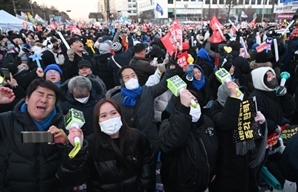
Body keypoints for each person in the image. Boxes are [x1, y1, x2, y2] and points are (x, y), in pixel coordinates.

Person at [57, 98, 155, 191]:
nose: (110, 118)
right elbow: (72, 180)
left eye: (113, 113)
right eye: (103, 116)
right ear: (97, 121)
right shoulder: (90, 144)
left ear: (120, 115)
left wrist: (143, 184)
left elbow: (148, 161)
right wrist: (76, 149)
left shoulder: (137, 136)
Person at [0, 78, 72, 191]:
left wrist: (67, 145)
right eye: (40, 94)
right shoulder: (6, 121)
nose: (44, 100)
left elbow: (75, 175)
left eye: (50, 96)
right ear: (27, 99)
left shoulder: (68, 126)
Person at [209, 81, 267, 192]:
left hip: (245, 167)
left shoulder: (245, 110)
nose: (240, 95)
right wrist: (234, 98)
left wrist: (261, 124)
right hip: (225, 170)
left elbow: (256, 138)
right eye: (235, 93)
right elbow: (227, 122)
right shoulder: (215, 112)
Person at [159, 90, 218, 192]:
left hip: (204, 184)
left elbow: (214, 148)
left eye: (195, 100)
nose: (194, 104)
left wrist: (213, 170)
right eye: (189, 102)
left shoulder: (207, 122)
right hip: (180, 186)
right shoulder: (167, 125)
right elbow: (172, 144)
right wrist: (183, 111)